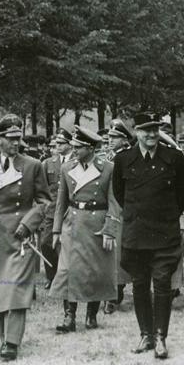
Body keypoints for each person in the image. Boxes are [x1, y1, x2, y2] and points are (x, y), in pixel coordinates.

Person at [0, 114, 51, 361]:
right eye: (11, 139)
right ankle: (3, 338)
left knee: (16, 288)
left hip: (20, 238)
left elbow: (44, 201)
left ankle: (12, 342)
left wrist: (28, 224)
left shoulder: (33, 165)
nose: (16, 143)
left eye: (18, 138)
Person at [111, 112, 184, 360]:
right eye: (146, 130)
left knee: (163, 283)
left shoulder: (174, 158)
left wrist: (166, 217)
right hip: (136, 234)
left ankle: (160, 337)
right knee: (140, 284)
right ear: (136, 132)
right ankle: (145, 334)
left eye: (155, 129)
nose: (152, 134)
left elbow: (183, 194)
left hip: (164, 234)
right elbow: (120, 193)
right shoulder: (123, 159)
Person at [50, 126, 121, 332]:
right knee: (67, 270)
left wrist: (110, 229)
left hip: (96, 224)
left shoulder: (108, 168)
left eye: (78, 147)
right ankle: (69, 316)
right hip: (72, 223)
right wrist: (56, 230)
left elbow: (114, 202)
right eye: (73, 146)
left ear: (90, 148)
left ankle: (91, 315)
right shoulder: (67, 168)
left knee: (95, 270)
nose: (74, 150)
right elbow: (61, 202)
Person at [101, 119, 133, 313]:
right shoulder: (107, 157)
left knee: (117, 254)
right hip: (105, 208)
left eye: (115, 137)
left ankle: (115, 293)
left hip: (121, 209)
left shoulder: (128, 157)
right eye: (109, 137)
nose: (110, 140)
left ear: (124, 139)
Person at [41, 128, 73, 290]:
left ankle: (66, 276)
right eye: (56, 143)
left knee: (67, 246)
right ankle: (51, 275)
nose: (57, 146)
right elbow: (42, 188)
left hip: (70, 211)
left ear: (70, 144)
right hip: (52, 211)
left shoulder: (76, 161)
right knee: (46, 244)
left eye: (61, 143)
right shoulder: (48, 163)